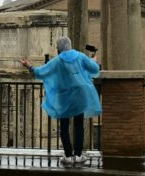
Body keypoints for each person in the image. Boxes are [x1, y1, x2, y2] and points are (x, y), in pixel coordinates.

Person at [20, 36, 101, 166]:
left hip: (64, 96)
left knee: (64, 125)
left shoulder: (57, 61)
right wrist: (93, 61)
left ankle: (68, 156)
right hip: (80, 94)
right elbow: (95, 69)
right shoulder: (80, 56)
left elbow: (41, 72)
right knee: (79, 125)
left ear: (59, 48)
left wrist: (28, 66)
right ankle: (79, 155)